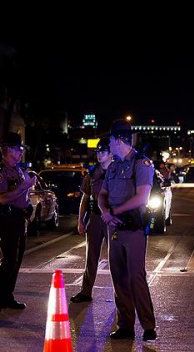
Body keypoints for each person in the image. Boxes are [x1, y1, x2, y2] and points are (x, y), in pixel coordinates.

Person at [98, 120, 157, 341]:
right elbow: (102, 194)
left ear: (119, 140)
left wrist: (114, 211)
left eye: (111, 140)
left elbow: (142, 197)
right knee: (118, 278)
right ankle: (125, 326)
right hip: (114, 228)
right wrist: (106, 211)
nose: (108, 144)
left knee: (136, 277)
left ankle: (148, 326)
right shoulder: (113, 167)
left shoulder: (142, 164)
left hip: (133, 229)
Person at [0, 132, 36, 312]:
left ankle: (6, 296)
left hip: (19, 218)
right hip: (7, 218)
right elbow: (2, 199)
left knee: (17, 260)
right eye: (18, 149)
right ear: (9, 150)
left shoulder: (18, 170)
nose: (21, 153)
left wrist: (27, 205)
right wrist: (23, 187)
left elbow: (21, 194)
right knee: (9, 260)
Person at [70, 137, 113, 303]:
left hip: (112, 217)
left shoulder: (117, 172)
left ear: (110, 154)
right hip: (95, 217)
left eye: (103, 152)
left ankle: (121, 295)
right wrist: (80, 220)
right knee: (91, 257)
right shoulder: (92, 173)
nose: (99, 155)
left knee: (116, 258)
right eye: (98, 152)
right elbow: (85, 198)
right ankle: (85, 292)